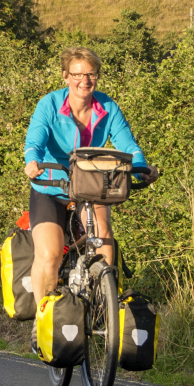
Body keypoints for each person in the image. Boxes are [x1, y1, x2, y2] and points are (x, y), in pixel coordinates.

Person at [21, 46, 158, 346]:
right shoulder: (51, 104)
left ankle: (102, 303)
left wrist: (141, 167)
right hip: (50, 186)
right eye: (78, 74)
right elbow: (35, 138)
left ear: (97, 77)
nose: (85, 80)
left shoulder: (107, 108)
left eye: (91, 74)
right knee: (50, 254)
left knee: (104, 234)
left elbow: (128, 145)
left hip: (90, 186)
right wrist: (32, 161)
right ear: (66, 77)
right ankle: (41, 320)